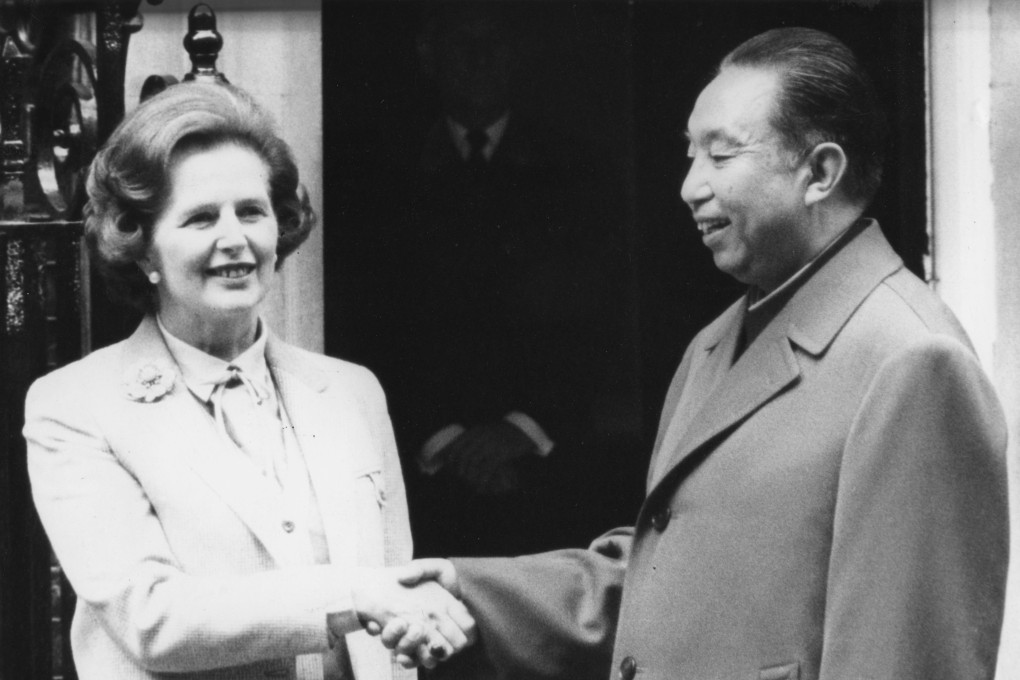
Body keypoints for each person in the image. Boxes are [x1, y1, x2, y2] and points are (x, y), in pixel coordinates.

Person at [398, 27, 1011, 680]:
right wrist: (464, 588)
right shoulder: (717, 342)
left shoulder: (913, 364)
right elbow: (664, 578)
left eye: (721, 156)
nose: (690, 187)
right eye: (690, 155)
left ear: (821, 173)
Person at [23, 82, 474, 680]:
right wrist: (354, 593)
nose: (234, 239)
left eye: (251, 211)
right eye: (201, 217)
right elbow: (151, 617)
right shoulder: (74, 406)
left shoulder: (351, 391)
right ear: (143, 247)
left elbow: (394, 599)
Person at [356, 1, 636, 558]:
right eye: (463, 40)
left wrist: (523, 431)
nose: (479, 58)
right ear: (429, 56)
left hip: (553, 471)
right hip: (425, 475)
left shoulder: (579, 172)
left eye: (495, 41)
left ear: (517, 55)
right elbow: (366, 320)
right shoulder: (378, 176)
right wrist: (444, 439)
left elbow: (608, 321)